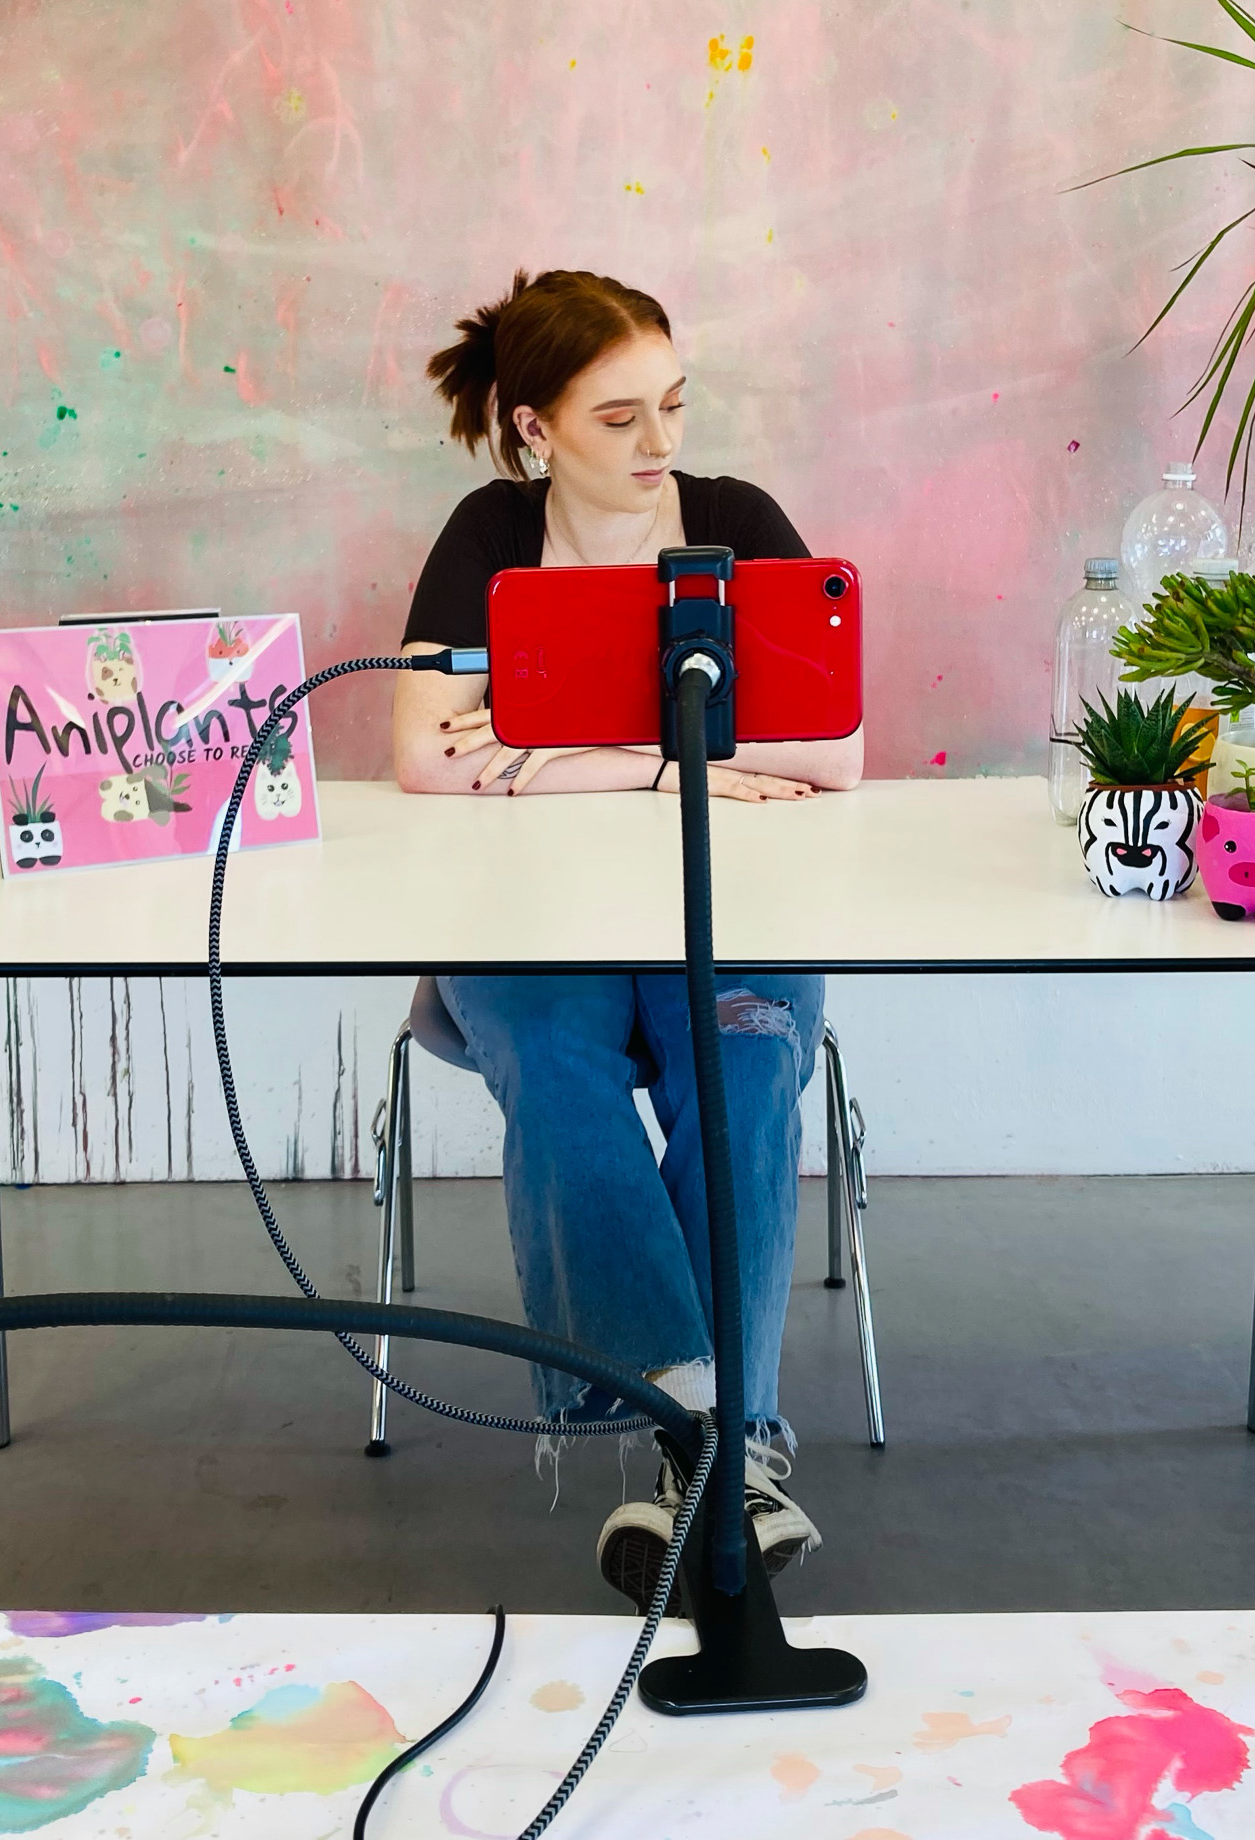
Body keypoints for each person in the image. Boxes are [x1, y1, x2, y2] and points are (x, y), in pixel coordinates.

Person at [391, 268, 863, 1611]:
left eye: (673, 405)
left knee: (747, 1060)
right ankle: (718, 1442)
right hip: (528, 915)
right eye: (617, 417)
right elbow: (426, 753)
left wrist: (541, 752)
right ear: (533, 427)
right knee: (555, 1061)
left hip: (734, 902)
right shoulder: (490, 535)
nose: (660, 443)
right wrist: (667, 764)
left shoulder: (738, 524)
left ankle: (695, 1453)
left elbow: (832, 747)